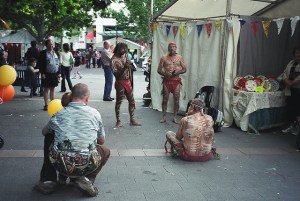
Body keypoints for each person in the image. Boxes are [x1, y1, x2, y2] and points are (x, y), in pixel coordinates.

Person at [34, 83, 110, 197]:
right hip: (86, 163)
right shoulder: (95, 113)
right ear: (87, 98)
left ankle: (48, 181)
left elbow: (44, 132)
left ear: (71, 97)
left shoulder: (59, 114)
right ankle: (86, 179)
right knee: (105, 151)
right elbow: (101, 141)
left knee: (49, 136)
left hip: (61, 163)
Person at [111, 42, 141, 127]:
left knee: (131, 101)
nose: (124, 51)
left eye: (125, 49)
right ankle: (118, 121)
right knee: (119, 101)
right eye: (122, 49)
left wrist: (130, 66)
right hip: (120, 82)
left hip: (128, 82)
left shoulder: (125, 56)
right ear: (118, 49)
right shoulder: (113, 60)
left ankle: (132, 120)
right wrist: (124, 67)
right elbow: (116, 74)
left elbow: (130, 68)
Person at [157, 42, 187, 124]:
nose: (172, 48)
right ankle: (164, 116)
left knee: (176, 100)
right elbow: (159, 70)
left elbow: (184, 69)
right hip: (167, 81)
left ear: (176, 48)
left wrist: (178, 72)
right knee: (165, 99)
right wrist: (165, 73)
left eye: (173, 47)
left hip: (176, 81)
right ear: (168, 48)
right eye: (170, 47)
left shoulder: (180, 57)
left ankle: (175, 117)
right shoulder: (164, 58)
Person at [37, 39, 61, 111]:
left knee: (53, 89)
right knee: (46, 89)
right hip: (46, 73)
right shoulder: (43, 53)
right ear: (46, 45)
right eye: (50, 44)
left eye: (52, 44)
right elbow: (40, 64)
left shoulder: (56, 52)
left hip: (54, 73)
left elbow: (58, 63)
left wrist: (59, 73)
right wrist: (42, 73)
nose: (51, 46)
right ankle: (46, 104)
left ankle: (52, 104)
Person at [281, 47, 300, 134]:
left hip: (298, 88)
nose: (298, 54)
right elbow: (284, 73)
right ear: (294, 54)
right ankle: (291, 126)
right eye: (297, 52)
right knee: (290, 108)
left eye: (299, 53)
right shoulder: (291, 63)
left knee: (297, 109)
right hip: (289, 89)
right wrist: (286, 80)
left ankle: (297, 128)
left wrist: (293, 82)